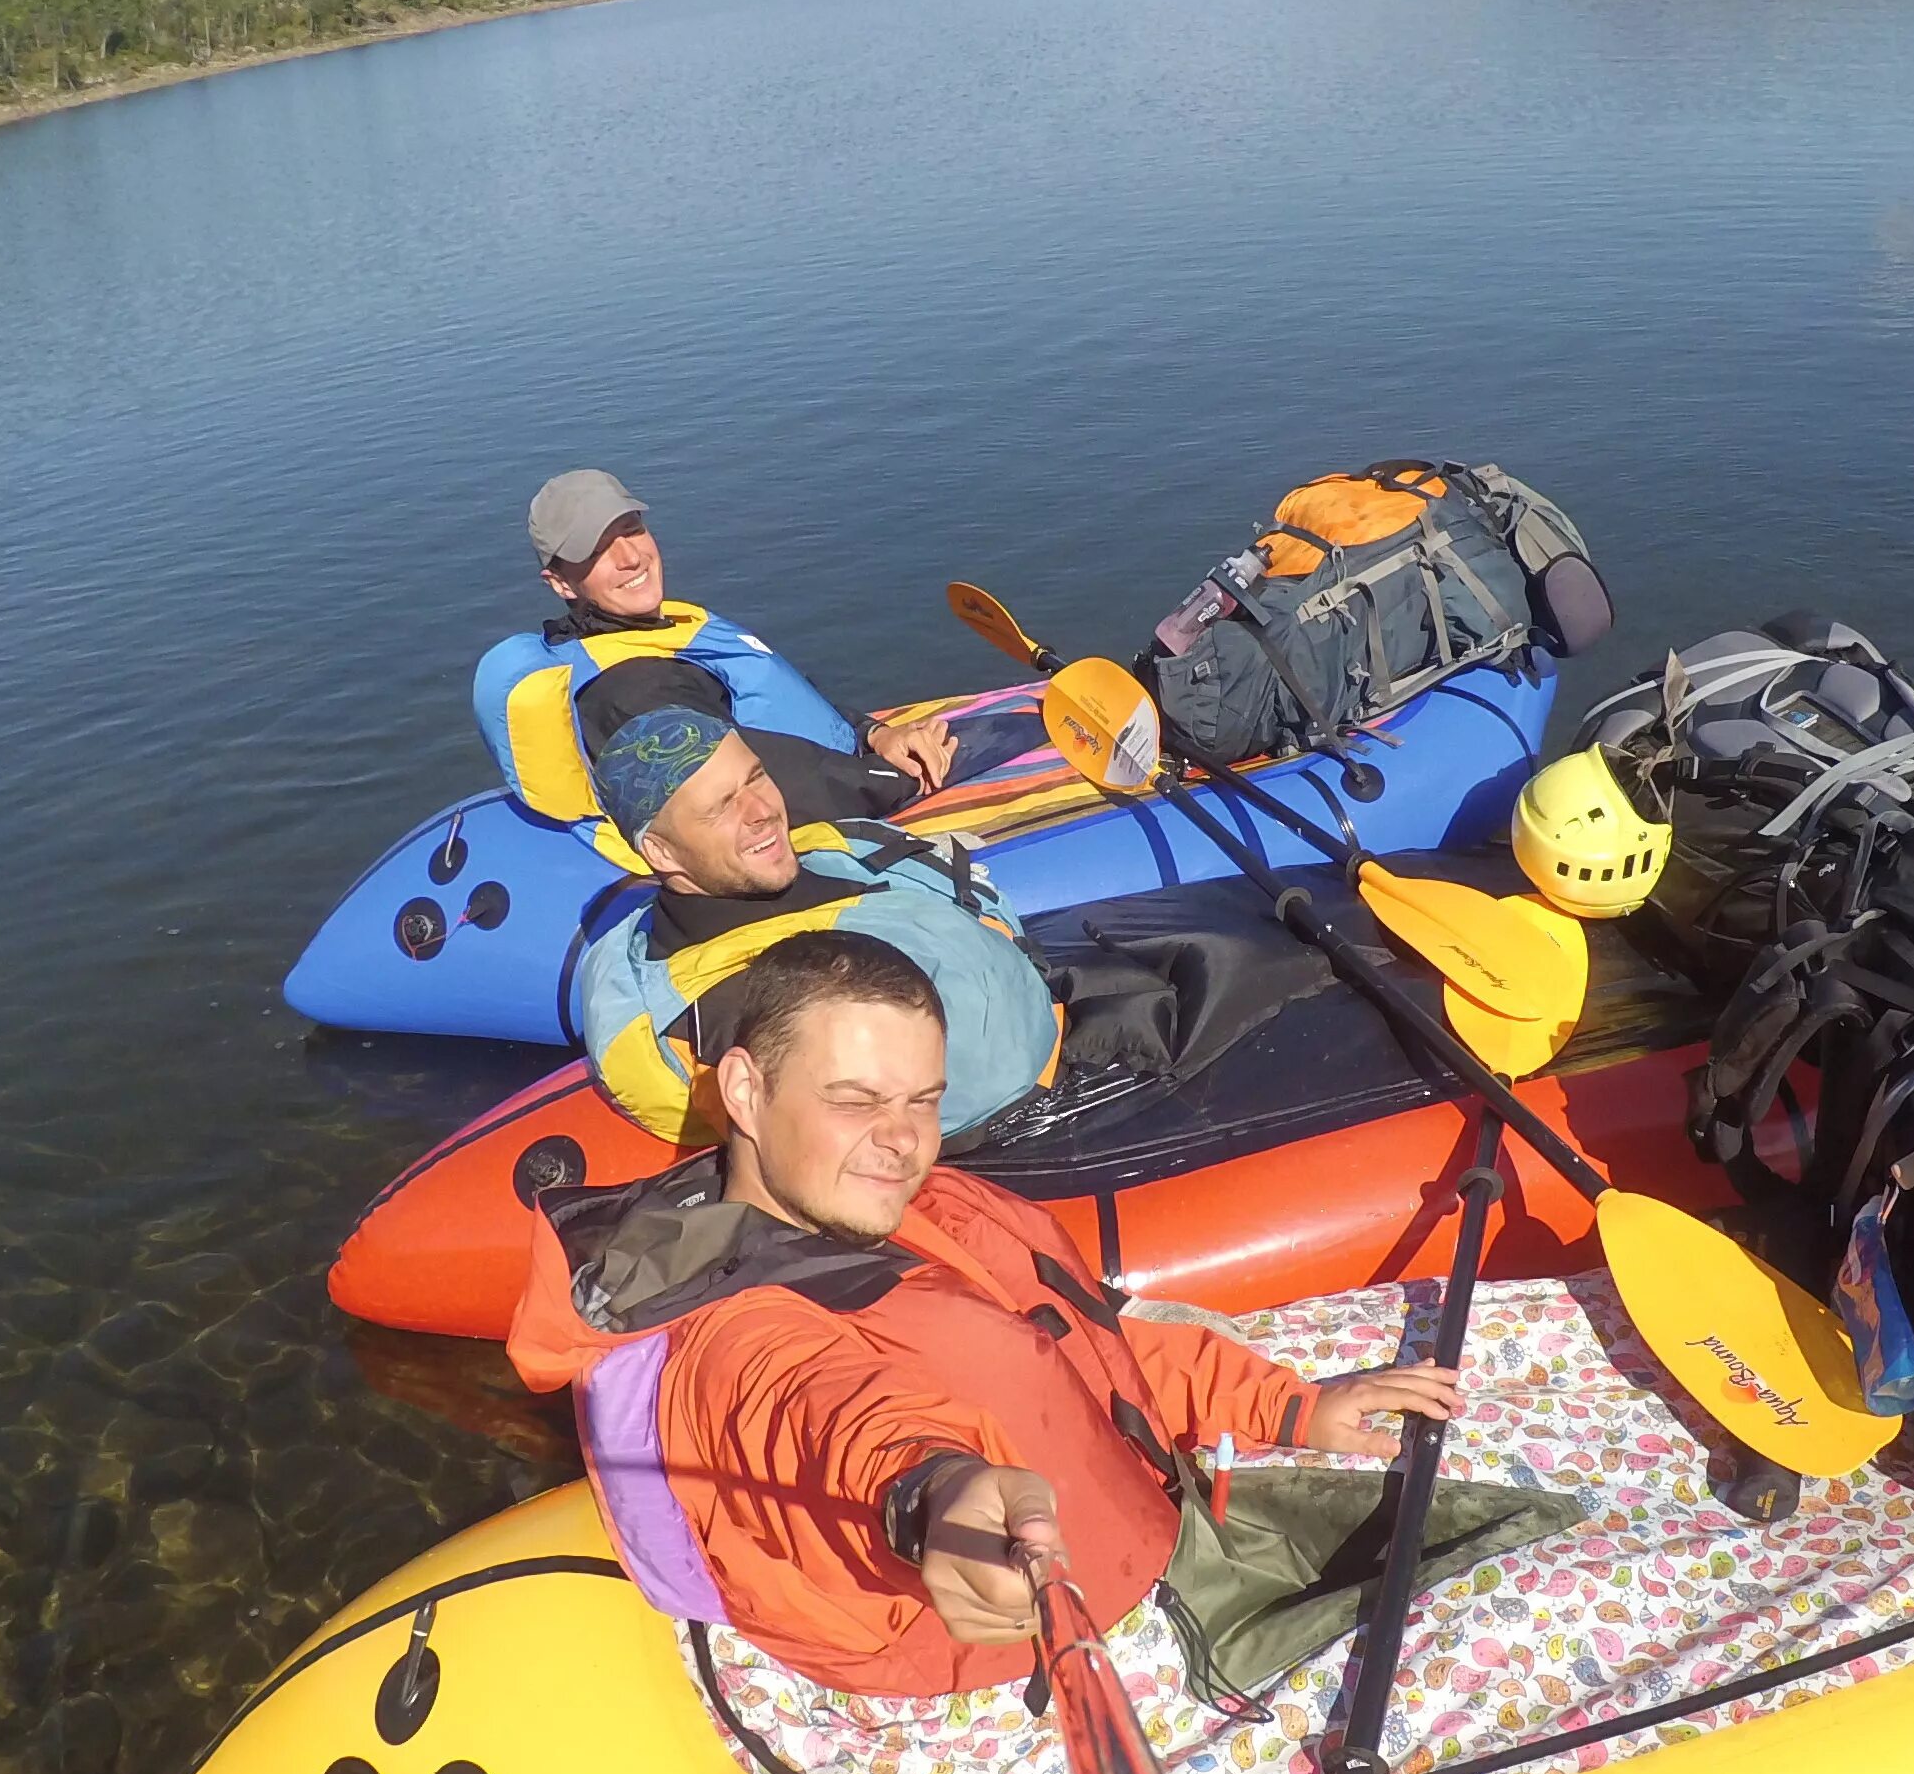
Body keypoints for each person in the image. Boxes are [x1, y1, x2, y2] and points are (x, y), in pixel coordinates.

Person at [509, 930, 1460, 1695]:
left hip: (1147, 1525)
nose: (902, 1141)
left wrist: (1289, 1407)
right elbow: (825, 1417)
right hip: (1014, 1650)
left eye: (922, 1100)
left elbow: (1087, 1349)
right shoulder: (724, 1337)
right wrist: (933, 1498)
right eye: (855, 1100)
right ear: (748, 1092)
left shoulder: (928, 1209)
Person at [574, 706, 1060, 1149]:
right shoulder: (722, 1010)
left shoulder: (839, 849)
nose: (763, 811)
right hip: (1000, 1133)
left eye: (757, 777)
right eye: (721, 807)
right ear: (661, 852)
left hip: (1048, 1008)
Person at [473, 467, 958, 858]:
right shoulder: (633, 690)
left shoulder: (654, 631)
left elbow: (778, 699)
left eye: (631, 530)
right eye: (597, 551)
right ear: (560, 583)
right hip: (820, 825)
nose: (630, 557)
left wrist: (876, 734)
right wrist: (898, 779)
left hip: (851, 770)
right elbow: (760, 786)